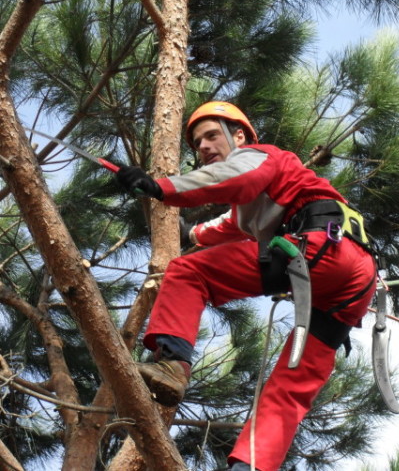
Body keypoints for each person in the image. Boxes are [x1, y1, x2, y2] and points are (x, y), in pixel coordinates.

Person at [117, 101, 377, 471]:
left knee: (188, 272)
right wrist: (187, 230)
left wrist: (160, 187)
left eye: (211, 135)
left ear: (238, 136)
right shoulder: (252, 204)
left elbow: (235, 178)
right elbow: (221, 228)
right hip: (354, 283)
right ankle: (250, 466)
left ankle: (173, 363)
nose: (203, 146)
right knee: (291, 386)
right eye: (197, 143)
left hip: (320, 249)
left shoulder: (260, 155)